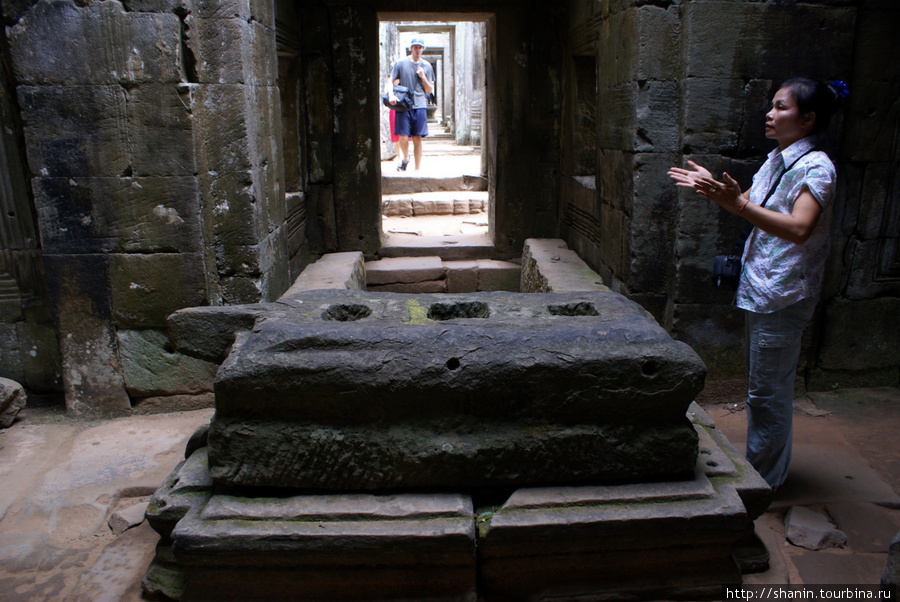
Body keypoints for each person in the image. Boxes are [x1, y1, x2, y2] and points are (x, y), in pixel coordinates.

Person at [668, 77, 846, 489]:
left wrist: (741, 204)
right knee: (764, 390)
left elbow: (800, 227)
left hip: (784, 294)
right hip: (764, 290)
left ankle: (762, 483)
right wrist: (719, 193)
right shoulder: (777, 159)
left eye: (781, 107)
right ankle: (765, 473)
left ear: (808, 119)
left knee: (768, 395)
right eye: (772, 106)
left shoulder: (816, 166)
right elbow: (749, 207)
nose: (770, 113)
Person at [386, 37, 434, 172]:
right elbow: (390, 79)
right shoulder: (400, 63)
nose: (418, 50)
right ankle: (406, 158)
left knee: (417, 137)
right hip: (403, 104)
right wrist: (391, 94)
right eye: (415, 47)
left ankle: (417, 169)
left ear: (423, 49)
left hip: (420, 104)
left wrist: (423, 77)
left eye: (420, 47)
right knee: (402, 136)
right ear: (411, 48)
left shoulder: (427, 66)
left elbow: (429, 90)